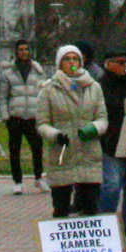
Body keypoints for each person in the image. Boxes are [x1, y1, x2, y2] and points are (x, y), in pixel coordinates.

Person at [34, 43, 106, 218]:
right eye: (67, 59)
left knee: (91, 208)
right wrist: (56, 135)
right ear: (60, 64)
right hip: (62, 154)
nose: (71, 62)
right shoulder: (49, 89)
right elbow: (42, 123)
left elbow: (102, 118)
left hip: (88, 152)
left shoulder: (93, 87)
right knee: (61, 208)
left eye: (75, 59)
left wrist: (93, 128)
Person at [96, 50, 126, 235]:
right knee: (112, 185)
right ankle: (106, 221)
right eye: (120, 62)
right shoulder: (100, 85)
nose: (124, 66)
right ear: (109, 63)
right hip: (111, 142)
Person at [0, 39, 49, 194]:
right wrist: (6, 117)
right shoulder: (8, 72)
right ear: (16, 51)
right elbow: (2, 97)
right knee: (15, 150)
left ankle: (39, 178)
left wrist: (44, 114)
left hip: (34, 117)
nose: (24, 52)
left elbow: (44, 92)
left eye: (26, 49)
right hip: (16, 116)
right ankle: (17, 181)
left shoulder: (37, 70)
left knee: (37, 148)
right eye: (21, 49)